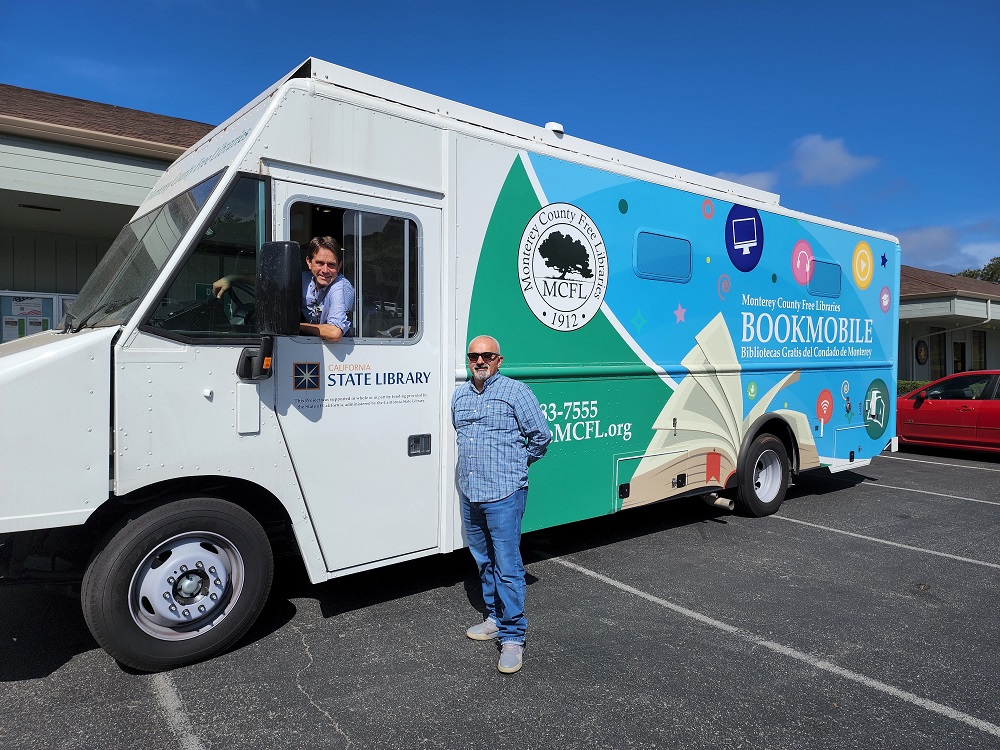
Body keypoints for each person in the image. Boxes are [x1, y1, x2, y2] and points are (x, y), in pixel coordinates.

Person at [452, 335, 551, 674]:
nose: (480, 361)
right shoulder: (460, 395)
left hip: (504, 494)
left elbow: (541, 435)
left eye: (487, 356)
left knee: (508, 566)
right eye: (474, 356)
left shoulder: (515, 392)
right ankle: (495, 617)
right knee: (483, 561)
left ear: (499, 360)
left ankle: (512, 637)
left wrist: (517, 464)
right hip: (471, 494)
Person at [213, 236, 355, 342]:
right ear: (308, 262)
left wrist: (292, 325)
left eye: (331, 265)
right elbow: (270, 281)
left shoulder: (340, 287)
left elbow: (334, 333)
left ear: (339, 266)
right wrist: (233, 278)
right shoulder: (305, 279)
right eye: (319, 263)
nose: (325, 270)